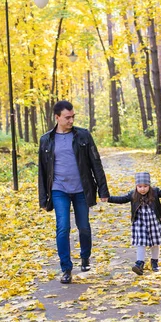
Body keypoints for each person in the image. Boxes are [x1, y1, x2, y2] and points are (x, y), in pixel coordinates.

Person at [38, 100, 109, 284]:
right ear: (57, 117)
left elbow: (96, 163)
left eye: (73, 117)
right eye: (67, 117)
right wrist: (43, 199)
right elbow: (42, 171)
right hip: (58, 189)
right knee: (63, 227)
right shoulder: (46, 140)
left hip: (81, 189)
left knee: (83, 226)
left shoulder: (83, 136)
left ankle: (85, 257)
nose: (71, 120)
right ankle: (66, 269)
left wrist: (103, 188)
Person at [108, 172, 161, 275]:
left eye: (145, 186)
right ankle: (139, 263)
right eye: (140, 186)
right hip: (140, 223)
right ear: (136, 186)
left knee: (155, 243)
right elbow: (121, 199)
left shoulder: (155, 192)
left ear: (149, 185)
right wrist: (108, 198)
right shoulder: (132, 194)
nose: (142, 189)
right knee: (140, 242)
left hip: (154, 222)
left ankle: (154, 262)